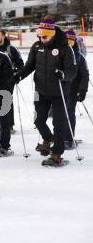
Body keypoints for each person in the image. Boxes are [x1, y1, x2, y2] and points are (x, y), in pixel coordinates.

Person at [13, 15, 77, 166]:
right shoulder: (36, 47)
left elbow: (72, 71)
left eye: (45, 37)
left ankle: (57, 153)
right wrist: (18, 76)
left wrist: (63, 74)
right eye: (40, 36)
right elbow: (29, 66)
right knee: (39, 120)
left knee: (58, 123)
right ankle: (48, 139)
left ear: (53, 33)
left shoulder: (65, 48)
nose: (42, 39)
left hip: (59, 91)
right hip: (41, 91)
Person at [0, 29, 24, 134]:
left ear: (3, 37)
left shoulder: (11, 49)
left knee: (7, 101)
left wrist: (16, 75)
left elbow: (21, 64)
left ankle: (9, 126)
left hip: (9, 80)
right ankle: (3, 125)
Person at [64, 29, 89, 149]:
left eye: (71, 40)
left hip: (72, 89)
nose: (68, 42)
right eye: (66, 40)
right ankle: (60, 137)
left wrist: (83, 90)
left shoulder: (79, 57)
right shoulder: (58, 54)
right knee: (60, 114)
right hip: (58, 89)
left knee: (69, 112)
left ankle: (68, 138)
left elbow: (85, 75)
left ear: (74, 41)